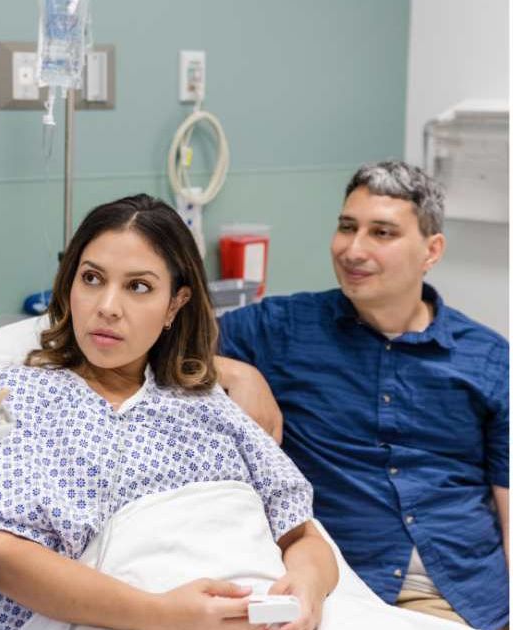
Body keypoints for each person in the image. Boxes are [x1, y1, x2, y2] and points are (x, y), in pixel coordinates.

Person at [0, 195, 338, 630]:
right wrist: (165, 615)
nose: (108, 306)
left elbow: (302, 535)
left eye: (139, 286)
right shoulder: (15, 396)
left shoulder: (208, 404)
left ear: (174, 304)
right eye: (92, 278)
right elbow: (2, 558)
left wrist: (307, 586)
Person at [218, 160, 509, 629]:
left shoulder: (489, 358)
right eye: (347, 227)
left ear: (431, 250)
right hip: (345, 589)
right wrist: (235, 370)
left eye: (382, 233)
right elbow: (165, 343)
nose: (354, 249)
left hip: (468, 597)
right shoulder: (280, 331)